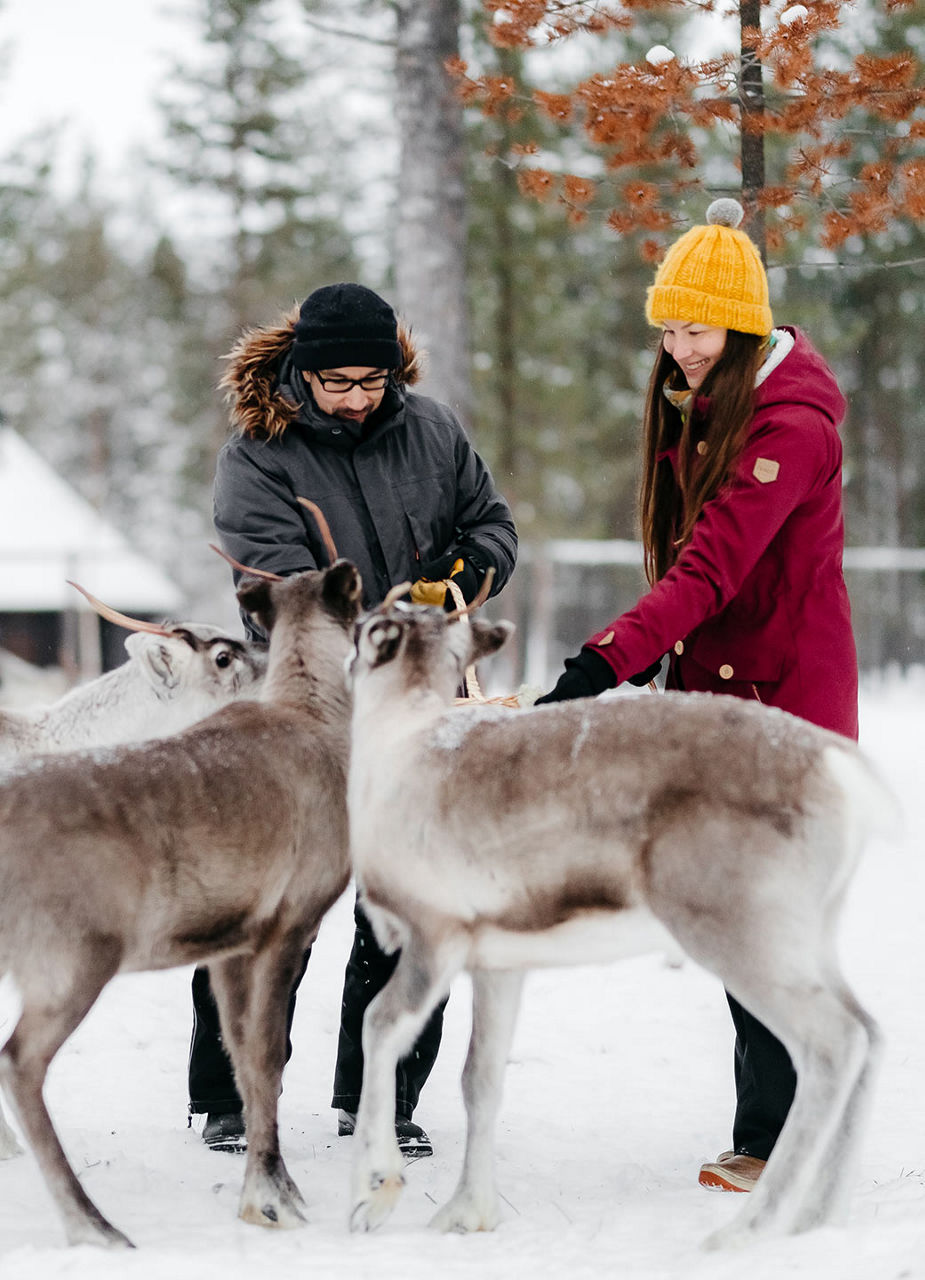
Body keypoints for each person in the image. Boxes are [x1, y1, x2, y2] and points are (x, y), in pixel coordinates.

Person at [537, 199, 858, 1193]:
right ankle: (771, 1131)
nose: (676, 348)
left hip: (784, 709)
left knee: (759, 919)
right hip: (727, 699)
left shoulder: (788, 427)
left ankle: (781, 1138)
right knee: (733, 918)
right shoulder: (709, 407)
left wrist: (602, 661)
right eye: (667, 327)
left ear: (743, 328)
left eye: (696, 328)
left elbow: (712, 567)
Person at [189, 282, 517, 1155]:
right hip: (304, 710)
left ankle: (380, 1091)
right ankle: (228, 1092)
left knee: (410, 893)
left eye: (372, 381)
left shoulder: (434, 429)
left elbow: (492, 525)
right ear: (301, 373)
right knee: (267, 895)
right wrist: (382, 627)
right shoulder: (257, 454)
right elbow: (275, 589)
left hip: (415, 710)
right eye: (337, 382)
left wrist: (453, 579)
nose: (357, 398)